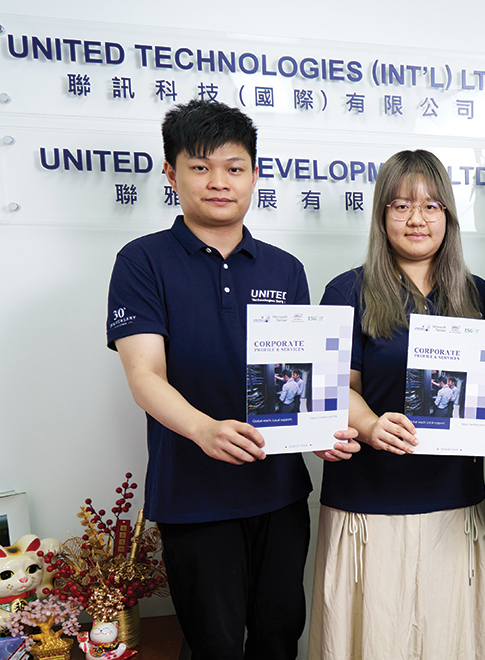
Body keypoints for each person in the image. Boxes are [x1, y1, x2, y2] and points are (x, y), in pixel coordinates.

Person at [106, 99, 358, 660]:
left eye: (234, 167)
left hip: (280, 494)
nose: (219, 182)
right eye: (200, 167)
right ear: (171, 173)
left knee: (279, 636)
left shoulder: (284, 268)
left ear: (254, 174)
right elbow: (144, 375)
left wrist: (317, 431)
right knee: (214, 645)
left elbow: (298, 377)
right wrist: (204, 429)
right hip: (193, 496)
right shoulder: (142, 262)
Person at [309, 149, 485, 660]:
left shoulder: (479, 296)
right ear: (382, 216)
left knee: (449, 640)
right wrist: (369, 424)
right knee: (375, 639)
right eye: (400, 206)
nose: (416, 219)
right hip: (368, 500)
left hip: (453, 500)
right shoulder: (348, 290)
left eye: (431, 206)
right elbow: (335, 386)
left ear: (449, 216)